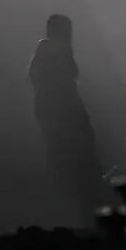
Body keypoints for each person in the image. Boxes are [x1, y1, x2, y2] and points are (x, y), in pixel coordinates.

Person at [28, 13, 105, 224]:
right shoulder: (57, 50)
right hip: (63, 115)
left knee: (60, 161)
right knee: (71, 162)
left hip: (56, 114)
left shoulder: (44, 54)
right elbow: (70, 74)